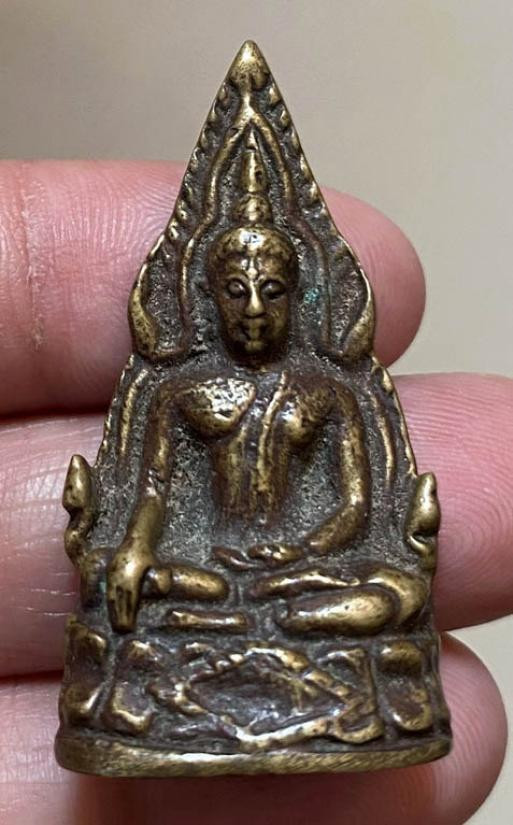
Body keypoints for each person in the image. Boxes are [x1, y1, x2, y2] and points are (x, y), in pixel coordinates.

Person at [0, 159, 509, 823]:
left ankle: (224, 643)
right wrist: (134, 550)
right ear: (208, 299)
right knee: (109, 578)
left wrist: (301, 553)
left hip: (301, 574)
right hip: (207, 575)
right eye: (236, 292)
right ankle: (262, 643)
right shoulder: (180, 392)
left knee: (396, 594)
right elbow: (151, 493)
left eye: (271, 291)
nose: (254, 310)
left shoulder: (328, 393)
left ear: (298, 297)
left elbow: (357, 506)